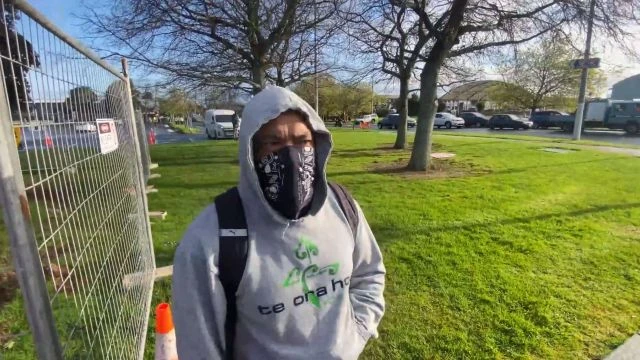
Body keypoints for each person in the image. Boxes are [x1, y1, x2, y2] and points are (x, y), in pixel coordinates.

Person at [172, 85, 385, 360]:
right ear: (250, 151)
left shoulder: (342, 206)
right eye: (273, 143)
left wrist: (357, 334)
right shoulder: (209, 240)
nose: (292, 155)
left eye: (302, 141)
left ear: (317, 145)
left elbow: (369, 274)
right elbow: (199, 348)